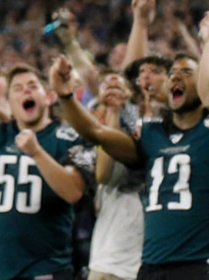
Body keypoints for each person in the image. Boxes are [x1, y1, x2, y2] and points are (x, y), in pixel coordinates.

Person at [53, 35, 209, 280]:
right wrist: (65, 97)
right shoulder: (150, 133)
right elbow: (97, 133)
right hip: (150, 266)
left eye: (187, 72)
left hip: (198, 264)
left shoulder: (205, 131)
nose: (176, 76)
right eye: (172, 73)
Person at [0, 65, 92, 280]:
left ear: (49, 97)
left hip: (47, 270)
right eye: (17, 88)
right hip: (0, 271)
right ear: (10, 104)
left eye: (33, 86)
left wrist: (37, 152)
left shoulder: (69, 138)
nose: (26, 92)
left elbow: (73, 191)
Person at [86, 71, 143, 280]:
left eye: (118, 86)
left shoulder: (141, 127)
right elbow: (102, 174)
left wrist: (116, 113)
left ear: (129, 93)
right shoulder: (84, 139)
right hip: (107, 255)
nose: (111, 87)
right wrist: (111, 114)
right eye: (106, 85)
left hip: (141, 256)